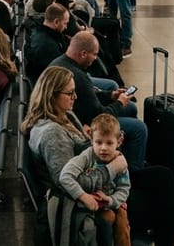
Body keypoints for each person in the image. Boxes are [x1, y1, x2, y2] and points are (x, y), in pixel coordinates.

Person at [22, 66, 174, 246]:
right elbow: (67, 181)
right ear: (52, 95)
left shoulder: (61, 115)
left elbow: (81, 151)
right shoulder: (52, 133)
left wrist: (93, 143)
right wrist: (111, 169)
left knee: (163, 175)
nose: (75, 97)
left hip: (99, 176)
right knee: (163, 202)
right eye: (70, 93)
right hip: (89, 198)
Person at [48, 33, 146, 169]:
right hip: (85, 122)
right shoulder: (78, 77)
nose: (95, 58)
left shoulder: (61, 63)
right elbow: (99, 115)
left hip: (79, 113)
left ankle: (128, 153)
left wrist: (110, 95)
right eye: (94, 54)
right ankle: (134, 172)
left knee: (131, 108)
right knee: (139, 128)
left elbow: (86, 96)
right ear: (83, 53)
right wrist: (119, 103)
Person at [59, 113, 131, 246]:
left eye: (109, 143)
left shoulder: (120, 161)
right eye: (99, 142)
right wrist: (84, 197)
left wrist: (110, 200)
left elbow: (124, 189)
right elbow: (65, 176)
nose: (103, 148)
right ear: (91, 139)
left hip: (110, 202)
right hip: (88, 206)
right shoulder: (87, 156)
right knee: (107, 218)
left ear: (119, 142)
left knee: (122, 220)